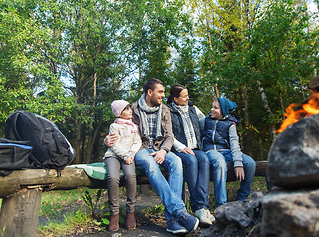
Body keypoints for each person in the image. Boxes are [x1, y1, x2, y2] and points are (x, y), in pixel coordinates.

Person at [104, 78, 199, 235]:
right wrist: (106, 140)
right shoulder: (133, 109)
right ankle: (179, 212)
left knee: (176, 162)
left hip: (160, 148)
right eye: (160, 92)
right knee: (151, 166)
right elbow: (118, 128)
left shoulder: (165, 110)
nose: (163, 95)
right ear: (150, 92)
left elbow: (169, 136)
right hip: (140, 149)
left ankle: (172, 220)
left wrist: (164, 151)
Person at [167, 84, 215, 226]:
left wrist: (225, 120)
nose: (188, 98)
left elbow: (206, 122)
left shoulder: (193, 109)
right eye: (184, 96)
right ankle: (197, 206)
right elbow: (168, 133)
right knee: (192, 162)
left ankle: (203, 207)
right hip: (180, 149)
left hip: (196, 147)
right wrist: (181, 147)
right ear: (175, 99)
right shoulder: (168, 112)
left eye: (187, 95)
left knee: (204, 159)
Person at [200, 97, 256, 207]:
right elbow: (192, 117)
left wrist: (238, 163)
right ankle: (221, 204)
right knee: (220, 163)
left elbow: (235, 144)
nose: (212, 109)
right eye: (212, 107)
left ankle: (242, 199)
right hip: (211, 151)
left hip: (226, 151)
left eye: (215, 108)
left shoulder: (230, 124)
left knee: (250, 163)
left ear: (223, 111)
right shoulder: (205, 120)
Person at [104, 100, 142, 231]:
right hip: (114, 156)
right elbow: (114, 144)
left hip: (129, 157)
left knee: (131, 176)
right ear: (119, 113)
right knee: (113, 178)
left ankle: (130, 212)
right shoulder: (114, 126)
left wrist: (131, 153)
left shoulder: (133, 126)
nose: (130, 111)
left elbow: (137, 142)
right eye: (126, 109)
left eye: (130, 108)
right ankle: (114, 214)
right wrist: (125, 155)